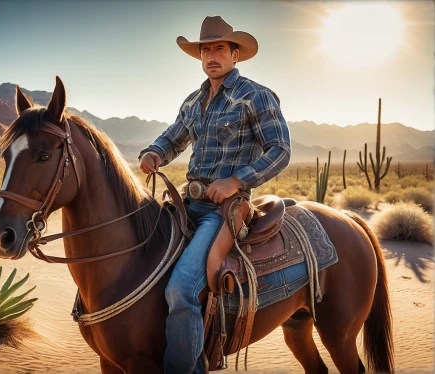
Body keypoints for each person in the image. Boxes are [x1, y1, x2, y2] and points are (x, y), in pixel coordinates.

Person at [139, 15, 291, 374]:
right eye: (205, 49)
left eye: (219, 48)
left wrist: (237, 181)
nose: (211, 55)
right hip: (186, 203)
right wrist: (154, 152)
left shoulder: (254, 96)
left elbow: (280, 150)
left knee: (181, 289)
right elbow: (174, 136)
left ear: (235, 54)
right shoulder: (194, 101)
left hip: (222, 210)